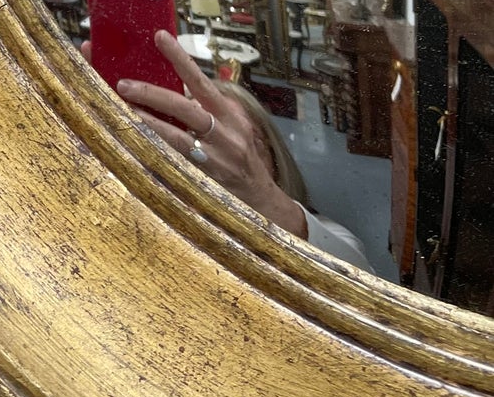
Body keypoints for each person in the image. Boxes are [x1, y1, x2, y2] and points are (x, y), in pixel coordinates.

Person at [111, 29, 375, 273]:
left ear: (273, 155)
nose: (221, 161)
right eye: (196, 139)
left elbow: (366, 293)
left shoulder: (325, 232)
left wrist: (262, 196)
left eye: (246, 142)